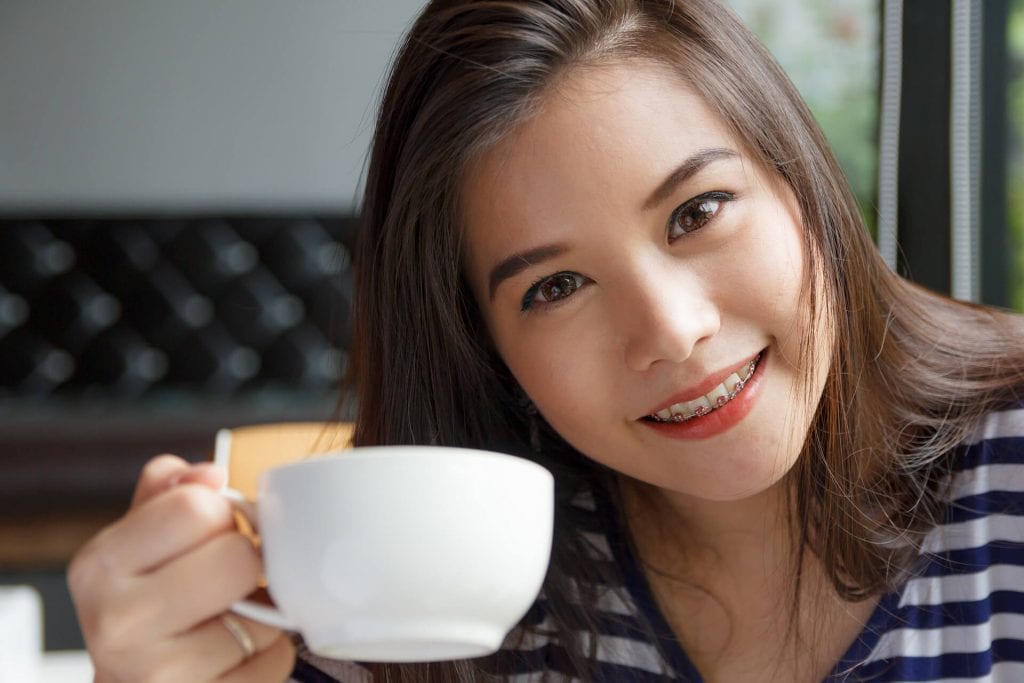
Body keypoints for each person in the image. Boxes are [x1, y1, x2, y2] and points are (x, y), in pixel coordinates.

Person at [69, 0, 1024, 681]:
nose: (673, 330)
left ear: (802, 190)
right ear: (485, 348)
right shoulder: (405, 592)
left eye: (699, 210)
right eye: (555, 286)